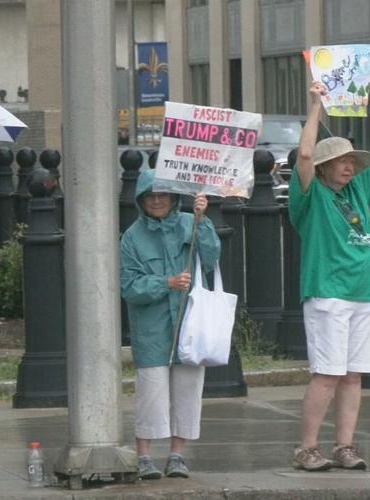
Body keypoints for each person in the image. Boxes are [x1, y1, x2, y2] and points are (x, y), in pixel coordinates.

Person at [289, 81, 370, 471]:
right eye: (342, 160)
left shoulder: (357, 190)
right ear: (324, 167)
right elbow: (304, 152)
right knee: (328, 374)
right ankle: (307, 448)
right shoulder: (310, 195)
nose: (350, 165)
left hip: (364, 291)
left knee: (353, 376)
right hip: (328, 293)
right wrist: (316, 106)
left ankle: (345, 446)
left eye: (352, 160)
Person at [120, 168, 221, 480]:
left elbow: (212, 254)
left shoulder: (190, 223)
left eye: (163, 194)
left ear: (175, 197)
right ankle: (145, 457)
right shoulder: (132, 237)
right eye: (151, 195)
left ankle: (177, 455)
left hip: (190, 325)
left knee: (188, 390)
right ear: (141, 199)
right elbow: (129, 286)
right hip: (152, 329)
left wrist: (202, 219)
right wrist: (166, 283)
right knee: (151, 392)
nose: (157, 200)